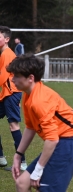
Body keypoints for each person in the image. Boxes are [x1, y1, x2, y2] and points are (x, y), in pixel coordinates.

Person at [7, 54, 73, 192]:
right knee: (22, 183)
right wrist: (18, 155)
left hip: (67, 145)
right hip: (60, 142)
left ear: (30, 78)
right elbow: (30, 127)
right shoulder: (28, 95)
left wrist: (38, 170)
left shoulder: (39, 100)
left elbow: (52, 139)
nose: (13, 79)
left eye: (17, 76)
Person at [0, 26, 27, 171]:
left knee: (13, 126)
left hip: (12, 94)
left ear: (7, 39)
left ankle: (22, 162)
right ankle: (1, 158)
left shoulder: (7, 54)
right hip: (6, 93)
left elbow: (3, 77)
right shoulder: (4, 53)